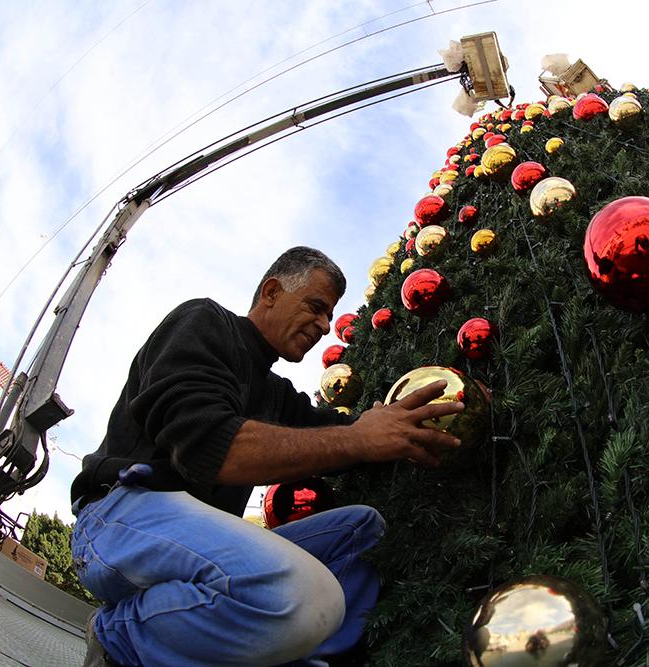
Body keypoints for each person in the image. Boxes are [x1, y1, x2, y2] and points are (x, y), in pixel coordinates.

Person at [69, 246, 463, 666]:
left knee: (363, 531)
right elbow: (212, 447)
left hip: (197, 544)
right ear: (271, 292)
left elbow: (342, 436)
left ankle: (295, 656)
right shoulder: (203, 322)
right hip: (116, 520)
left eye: (331, 316)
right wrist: (360, 440)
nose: (325, 326)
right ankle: (118, 633)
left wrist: (420, 422)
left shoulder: (276, 395)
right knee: (309, 597)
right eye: (316, 307)